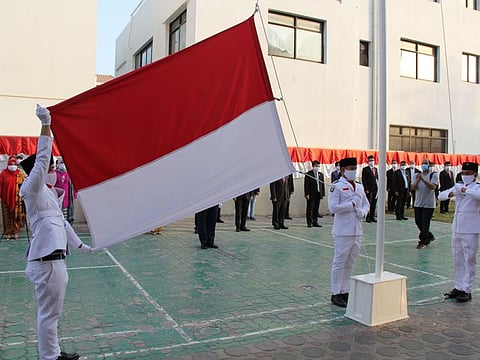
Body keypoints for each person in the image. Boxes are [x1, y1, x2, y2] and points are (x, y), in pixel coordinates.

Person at [20, 105, 93, 360]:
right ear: (37, 174)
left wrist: (83, 246)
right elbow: (41, 160)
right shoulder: (32, 189)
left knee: (52, 313)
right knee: (48, 314)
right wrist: (45, 125)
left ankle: (51, 353)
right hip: (47, 262)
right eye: (51, 168)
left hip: (55, 260)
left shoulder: (48, 195)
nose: (53, 171)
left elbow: (62, 223)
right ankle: (49, 357)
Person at [328, 157, 369, 308]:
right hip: (343, 231)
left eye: (355, 168)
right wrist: (351, 205)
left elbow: (366, 204)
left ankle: (344, 290)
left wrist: (362, 212)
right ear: (343, 170)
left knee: (350, 263)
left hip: (357, 230)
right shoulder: (336, 186)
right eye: (351, 168)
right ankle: (335, 293)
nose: (353, 171)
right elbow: (333, 208)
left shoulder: (358, 186)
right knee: (339, 262)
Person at [440, 162, 480, 303]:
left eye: (468, 173)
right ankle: (458, 286)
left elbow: (478, 195)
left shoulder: (476, 187)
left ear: (475, 174)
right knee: (458, 258)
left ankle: (467, 289)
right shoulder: (458, 185)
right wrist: (452, 192)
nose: (465, 176)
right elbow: (441, 196)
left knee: (469, 259)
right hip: (457, 227)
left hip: (470, 229)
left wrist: (463, 190)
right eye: (463, 173)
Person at [411, 159, 438, 249]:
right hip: (418, 203)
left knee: (425, 222)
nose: (424, 165)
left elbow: (433, 187)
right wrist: (418, 180)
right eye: (422, 163)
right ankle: (429, 235)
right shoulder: (416, 175)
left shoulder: (433, 175)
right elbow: (413, 187)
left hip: (429, 204)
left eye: (426, 163)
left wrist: (424, 180)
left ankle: (423, 241)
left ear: (429, 165)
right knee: (418, 222)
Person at [0, 155, 26, 239]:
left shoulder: (20, 174)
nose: (13, 166)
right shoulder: (3, 173)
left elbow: (25, 184)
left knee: (16, 216)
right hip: (5, 199)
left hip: (17, 199)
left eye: (14, 164)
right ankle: (8, 232)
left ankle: (15, 232)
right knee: (7, 216)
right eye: (11, 164)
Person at [55, 159, 77, 224]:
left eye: (64, 162)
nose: (63, 164)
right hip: (57, 199)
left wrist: (74, 195)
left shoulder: (68, 174)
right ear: (58, 164)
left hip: (67, 200)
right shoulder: (54, 173)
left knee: (66, 217)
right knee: (58, 216)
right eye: (61, 163)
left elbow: (72, 186)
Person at [304, 160, 325, 227]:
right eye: (316, 166)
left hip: (318, 194)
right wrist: (307, 194)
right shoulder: (309, 174)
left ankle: (315, 221)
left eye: (318, 166)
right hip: (311, 194)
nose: (317, 167)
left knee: (316, 208)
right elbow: (306, 185)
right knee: (310, 208)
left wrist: (322, 193)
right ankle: (309, 222)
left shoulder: (320, 174)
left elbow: (322, 184)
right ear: (313, 166)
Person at [361, 155, 378, 223]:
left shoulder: (375, 169)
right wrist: (366, 189)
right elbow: (364, 179)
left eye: (373, 160)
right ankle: (367, 217)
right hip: (369, 189)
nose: (372, 162)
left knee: (374, 203)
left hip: (375, 189)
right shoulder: (365, 169)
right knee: (368, 203)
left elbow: (377, 179)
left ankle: (372, 216)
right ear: (368, 161)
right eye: (370, 160)